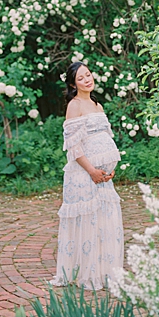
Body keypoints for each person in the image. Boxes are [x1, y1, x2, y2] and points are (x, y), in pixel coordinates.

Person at [49, 61, 124, 290]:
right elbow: (73, 146)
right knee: (88, 222)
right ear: (73, 84)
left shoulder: (97, 105)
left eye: (88, 75)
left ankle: (103, 272)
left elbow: (104, 138)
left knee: (104, 222)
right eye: (81, 78)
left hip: (103, 178)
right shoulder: (75, 105)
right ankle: (86, 273)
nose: (87, 80)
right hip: (84, 175)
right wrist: (91, 170)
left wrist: (110, 169)